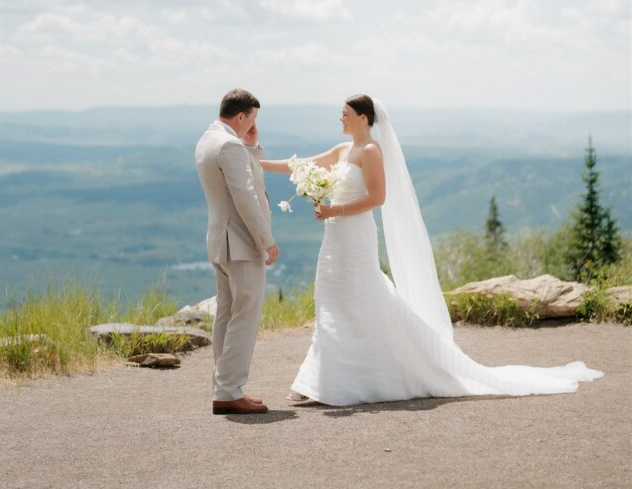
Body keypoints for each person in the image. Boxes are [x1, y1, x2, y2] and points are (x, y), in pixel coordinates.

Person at [261, 94, 604, 407]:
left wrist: (335, 210)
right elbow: (301, 164)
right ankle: (321, 377)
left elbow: (378, 198)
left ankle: (337, 379)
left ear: (364, 118)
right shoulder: (340, 150)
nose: (341, 118)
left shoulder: (371, 152)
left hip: (354, 234)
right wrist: (257, 163)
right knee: (331, 300)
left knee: (362, 298)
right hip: (334, 239)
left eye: (345, 113)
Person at [195, 88, 279, 415]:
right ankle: (229, 391)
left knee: (227, 315)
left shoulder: (209, 139)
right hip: (241, 242)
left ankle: (225, 386)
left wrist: (250, 144)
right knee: (245, 315)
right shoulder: (229, 145)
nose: (254, 124)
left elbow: (240, 175)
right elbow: (245, 196)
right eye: (252, 118)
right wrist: (266, 240)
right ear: (241, 115)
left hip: (219, 240)